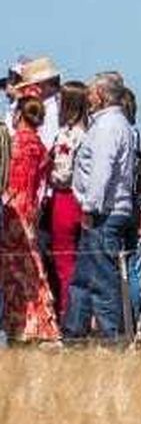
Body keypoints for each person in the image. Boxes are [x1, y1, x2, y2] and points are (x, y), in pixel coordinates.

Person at [63, 73, 139, 343]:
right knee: (83, 277)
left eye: (92, 91)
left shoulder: (108, 127)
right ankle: (74, 331)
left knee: (103, 278)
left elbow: (101, 170)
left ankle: (111, 337)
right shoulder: (113, 124)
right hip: (107, 209)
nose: (88, 96)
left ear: (103, 95)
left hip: (104, 212)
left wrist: (90, 206)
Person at [1, 97, 59, 341]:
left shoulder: (15, 144)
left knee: (12, 268)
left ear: (19, 115)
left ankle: (20, 323)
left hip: (12, 207)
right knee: (32, 267)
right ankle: (40, 322)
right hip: (31, 208)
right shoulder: (39, 146)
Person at [47, 80, 88, 319]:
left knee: (64, 260)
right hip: (83, 199)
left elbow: (62, 174)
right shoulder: (89, 133)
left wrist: (45, 172)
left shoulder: (67, 136)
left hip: (65, 199)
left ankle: (68, 313)